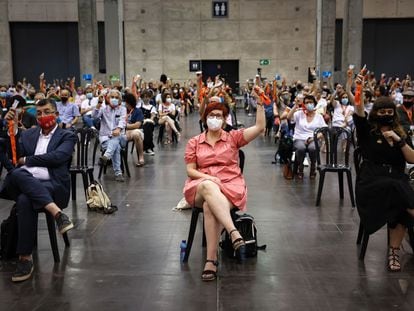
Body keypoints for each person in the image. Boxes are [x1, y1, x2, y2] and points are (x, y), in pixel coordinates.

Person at [182, 88, 265, 281]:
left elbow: (260, 127)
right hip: (199, 186)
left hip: (231, 186)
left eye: (219, 115)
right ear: (205, 118)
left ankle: (211, 260)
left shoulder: (234, 137)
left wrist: (260, 103)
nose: (215, 118)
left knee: (209, 207)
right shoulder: (195, 142)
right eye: (211, 115)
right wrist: (209, 178)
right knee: (208, 186)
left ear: (225, 119)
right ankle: (233, 232)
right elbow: (191, 171)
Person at [0, 98, 76, 282]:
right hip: (25, 180)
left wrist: (28, 160)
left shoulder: (67, 135)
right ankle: (57, 214)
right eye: (39, 113)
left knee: (25, 199)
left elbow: (58, 157)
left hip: (52, 184)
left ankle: (25, 259)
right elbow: (14, 155)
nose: (43, 116)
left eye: (47, 111)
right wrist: (12, 127)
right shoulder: (28, 135)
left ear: (56, 114)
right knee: (16, 174)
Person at [351, 68, 414, 272]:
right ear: (375, 114)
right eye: (382, 112)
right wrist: (358, 87)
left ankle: (393, 252)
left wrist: (400, 141)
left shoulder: (400, 132)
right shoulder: (367, 131)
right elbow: (359, 110)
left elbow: (412, 159)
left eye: (389, 112)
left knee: (399, 198)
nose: (386, 115)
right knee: (399, 190)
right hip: (371, 181)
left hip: (395, 180)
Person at [287, 94, 327, 179]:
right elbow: (288, 117)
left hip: (313, 139)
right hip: (299, 138)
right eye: (307, 102)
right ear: (304, 104)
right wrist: (295, 105)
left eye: (311, 102)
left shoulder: (319, 117)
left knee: (313, 148)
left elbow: (323, 130)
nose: (309, 104)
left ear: (314, 103)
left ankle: (313, 168)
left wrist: (314, 138)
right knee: (301, 148)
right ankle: (300, 169)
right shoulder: (299, 114)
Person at [92, 89, 127, 182]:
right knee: (116, 148)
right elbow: (94, 116)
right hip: (106, 138)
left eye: (116, 97)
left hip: (120, 137)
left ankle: (106, 156)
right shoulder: (103, 109)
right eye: (112, 97)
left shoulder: (123, 109)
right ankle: (118, 173)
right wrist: (99, 103)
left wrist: (118, 129)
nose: (114, 99)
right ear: (108, 98)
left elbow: (123, 121)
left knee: (117, 137)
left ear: (120, 100)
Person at [123, 92, 145, 166]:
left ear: (129, 102)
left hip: (134, 130)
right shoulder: (122, 110)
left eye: (125, 101)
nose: (123, 103)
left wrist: (125, 126)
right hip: (123, 131)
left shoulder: (138, 111)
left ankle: (141, 157)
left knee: (136, 134)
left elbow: (137, 125)